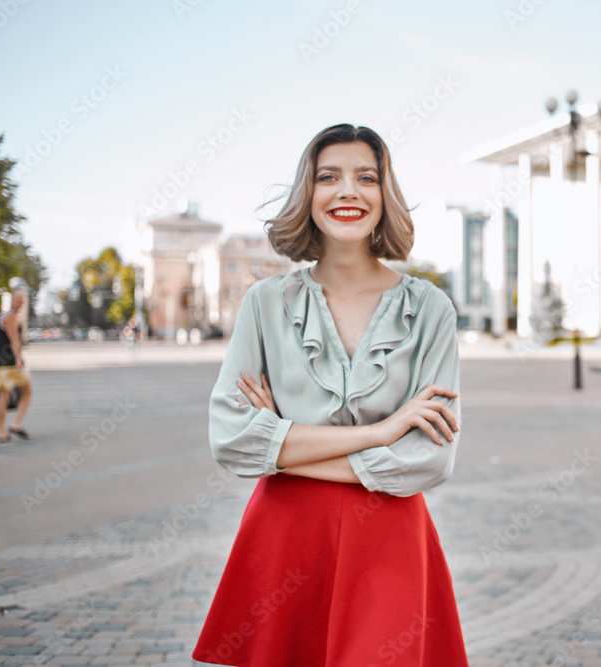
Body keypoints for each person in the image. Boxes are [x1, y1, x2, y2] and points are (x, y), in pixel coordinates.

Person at [192, 123, 468, 666]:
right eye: (329, 177)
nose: (348, 191)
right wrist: (382, 432)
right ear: (308, 194)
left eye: (366, 177)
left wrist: (284, 447)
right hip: (284, 537)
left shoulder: (430, 309)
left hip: (388, 539)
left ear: (384, 196)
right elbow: (231, 440)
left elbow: (427, 459)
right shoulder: (264, 304)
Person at [0, 286, 33, 442]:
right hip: (10, 365)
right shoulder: (12, 317)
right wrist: (18, 358)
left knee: (3, 396)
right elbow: (14, 339)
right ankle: (15, 424)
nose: (20, 303)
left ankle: (2, 432)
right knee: (27, 393)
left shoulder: (3, 316)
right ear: (12, 300)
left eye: (22, 300)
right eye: (18, 300)